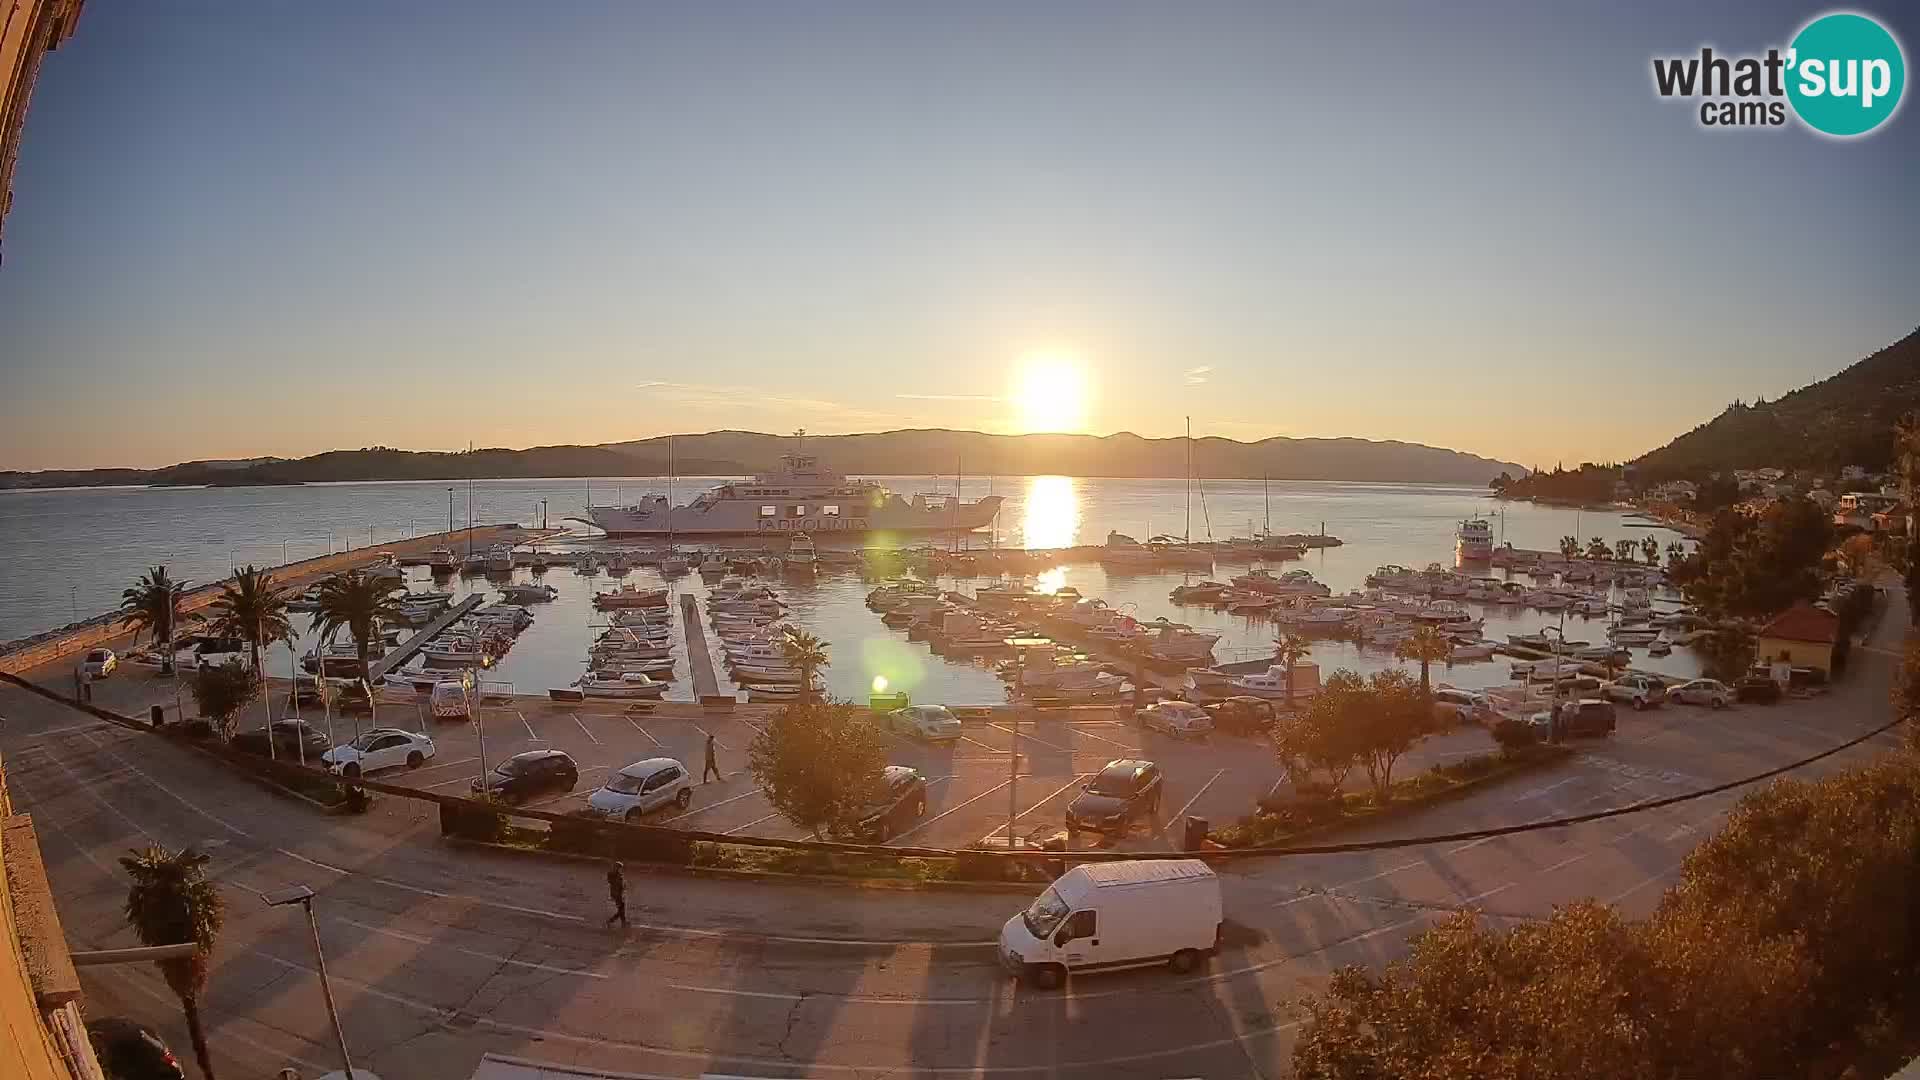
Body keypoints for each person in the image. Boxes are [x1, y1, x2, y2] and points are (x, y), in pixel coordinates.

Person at [604, 861, 627, 928]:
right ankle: (612, 921)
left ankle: (623, 922)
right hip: (616, 894)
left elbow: (622, 884)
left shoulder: (618, 874)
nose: (620, 869)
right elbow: (612, 882)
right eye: (619, 867)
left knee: (621, 909)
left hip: (619, 893)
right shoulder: (612, 874)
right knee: (621, 909)